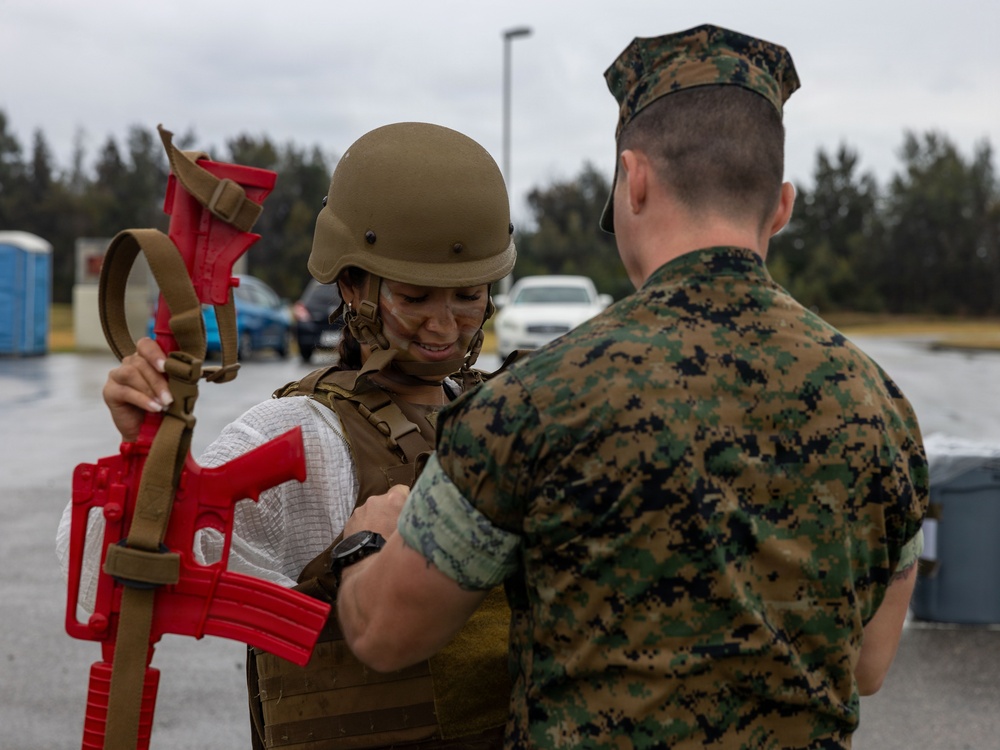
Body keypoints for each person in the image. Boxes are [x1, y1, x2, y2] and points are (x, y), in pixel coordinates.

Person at [332, 24, 930, 749]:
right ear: (781, 205)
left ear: (634, 180)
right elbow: (869, 665)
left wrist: (369, 543)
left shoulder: (535, 401)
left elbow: (388, 633)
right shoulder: (883, 410)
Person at [57, 122, 517, 749]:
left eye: (468, 297)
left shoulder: (504, 415)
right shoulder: (305, 435)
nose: (445, 324)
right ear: (351, 283)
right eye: (414, 296)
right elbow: (94, 574)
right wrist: (148, 460)